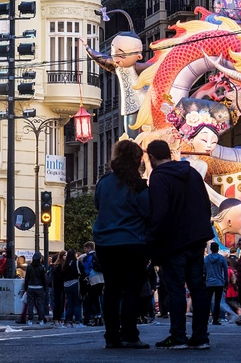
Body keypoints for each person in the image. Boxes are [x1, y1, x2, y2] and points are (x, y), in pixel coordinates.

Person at [146, 139, 213, 350]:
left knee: (175, 289)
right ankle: (201, 336)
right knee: (197, 287)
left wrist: (152, 239)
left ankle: (178, 336)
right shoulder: (192, 173)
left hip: (174, 242)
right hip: (196, 239)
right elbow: (205, 204)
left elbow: (160, 212)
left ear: (152, 157)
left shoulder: (158, 177)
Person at [93, 139, 150, 349]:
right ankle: (130, 334)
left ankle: (111, 336)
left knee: (112, 289)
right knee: (132, 289)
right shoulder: (138, 185)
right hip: (133, 242)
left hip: (106, 243)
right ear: (137, 160)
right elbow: (147, 211)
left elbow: (98, 204)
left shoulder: (104, 182)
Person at [82, 31, 150, 137]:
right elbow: (101, 58)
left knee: (140, 131)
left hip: (144, 102)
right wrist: (88, 48)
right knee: (131, 134)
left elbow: (156, 67)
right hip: (129, 105)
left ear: (139, 56)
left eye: (122, 55)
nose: (117, 59)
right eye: (114, 54)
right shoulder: (117, 67)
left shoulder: (137, 68)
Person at [204, 242, 229, 325]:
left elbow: (203, 271)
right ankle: (216, 319)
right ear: (218, 249)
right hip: (219, 282)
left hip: (209, 282)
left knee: (207, 302)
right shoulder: (222, 258)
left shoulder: (206, 259)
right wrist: (226, 282)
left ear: (210, 249)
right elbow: (225, 271)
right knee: (217, 302)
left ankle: (206, 319)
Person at [81, 241, 104, 327]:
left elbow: (86, 270)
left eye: (86, 248)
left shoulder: (87, 258)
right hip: (101, 279)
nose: (85, 250)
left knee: (91, 300)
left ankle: (95, 317)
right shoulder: (99, 255)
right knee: (98, 299)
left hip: (93, 279)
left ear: (89, 248)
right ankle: (100, 318)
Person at [61, 250, 85, 326]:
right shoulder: (77, 263)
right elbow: (82, 273)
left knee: (70, 304)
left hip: (66, 285)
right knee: (77, 304)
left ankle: (69, 321)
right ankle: (78, 321)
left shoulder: (65, 264)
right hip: (75, 283)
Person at [24, 251, 48, 326]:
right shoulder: (42, 267)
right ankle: (41, 319)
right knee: (40, 304)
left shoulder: (29, 267)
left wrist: (26, 288)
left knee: (30, 304)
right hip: (39, 286)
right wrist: (44, 288)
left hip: (30, 286)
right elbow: (44, 279)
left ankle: (30, 320)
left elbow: (26, 278)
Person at [51, 251, 67, 327]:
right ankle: (56, 319)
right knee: (58, 304)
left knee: (61, 304)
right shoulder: (58, 265)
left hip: (62, 286)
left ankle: (59, 319)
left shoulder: (63, 265)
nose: (66, 257)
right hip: (58, 287)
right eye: (64, 255)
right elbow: (57, 276)